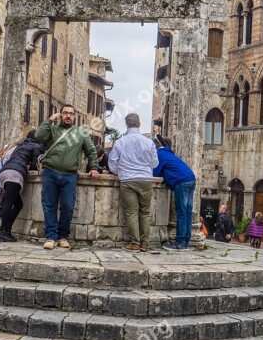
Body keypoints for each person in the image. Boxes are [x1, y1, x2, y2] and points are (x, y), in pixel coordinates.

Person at [35, 104, 99, 250]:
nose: (68, 116)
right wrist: (49, 121)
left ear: (75, 116)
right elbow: (38, 136)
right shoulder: (52, 129)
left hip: (69, 175)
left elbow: (91, 151)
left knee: (68, 206)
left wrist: (94, 167)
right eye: (65, 113)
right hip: (50, 172)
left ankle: (63, 236)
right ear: (60, 115)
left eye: (71, 113)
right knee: (49, 205)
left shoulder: (81, 133)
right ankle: (51, 236)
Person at [108, 113, 159, 252]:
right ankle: (145, 244)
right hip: (145, 180)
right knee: (145, 212)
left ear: (126, 125)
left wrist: (120, 172)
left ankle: (135, 243)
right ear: (139, 125)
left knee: (132, 212)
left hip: (128, 180)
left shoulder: (121, 142)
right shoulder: (149, 142)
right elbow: (155, 163)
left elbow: (112, 163)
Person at [0, 131, 43, 242]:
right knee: (8, 203)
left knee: (18, 204)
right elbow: (34, 164)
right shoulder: (36, 146)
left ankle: (6, 230)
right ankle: (3, 232)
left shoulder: (20, 146)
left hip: (5, 171)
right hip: (15, 173)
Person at [152, 135, 196, 251]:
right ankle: (186, 241)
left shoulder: (159, 154)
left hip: (181, 181)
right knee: (187, 213)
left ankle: (180, 243)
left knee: (181, 213)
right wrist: (158, 134)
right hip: (191, 178)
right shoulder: (168, 151)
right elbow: (165, 144)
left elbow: (155, 173)